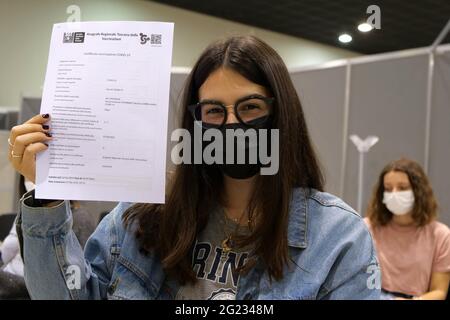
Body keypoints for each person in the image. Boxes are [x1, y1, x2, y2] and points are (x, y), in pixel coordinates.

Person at [7, 35, 380, 300]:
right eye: (214, 111)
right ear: (196, 124)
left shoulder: (337, 238)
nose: (232, 125)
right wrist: (46, 194)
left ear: (281, 116)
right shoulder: (141, 218)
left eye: (250, 107)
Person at [365, 158, 450, 300]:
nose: (394, 193)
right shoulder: (366, 228)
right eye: (388, 188)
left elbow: (439, 291)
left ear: (418, 192)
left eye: (402, 188)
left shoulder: (440, 235)